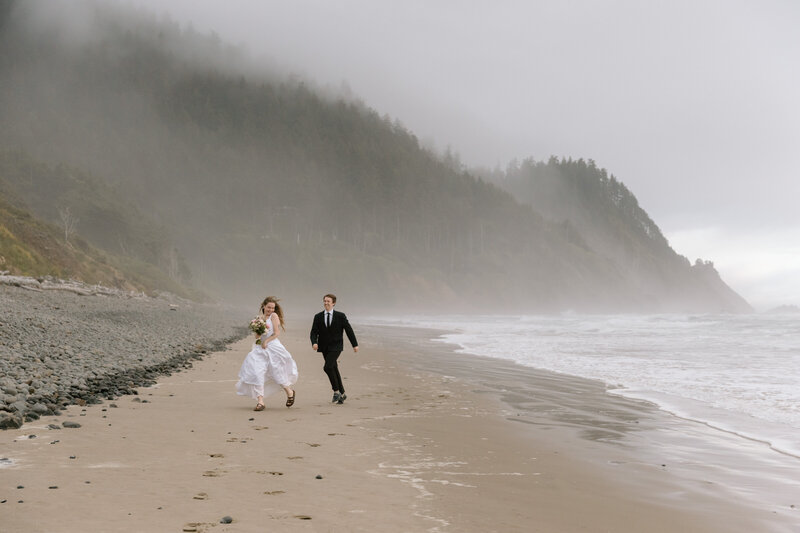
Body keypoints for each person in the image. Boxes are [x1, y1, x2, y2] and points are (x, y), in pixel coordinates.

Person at [236, 296, 297, 410]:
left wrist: (267, 341)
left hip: (273, 346)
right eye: (269, 307)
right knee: (257, 372)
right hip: (260, 348)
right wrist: (259, 333)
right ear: (264, 306)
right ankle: (260, 402)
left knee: (276, 372)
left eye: (273, 308)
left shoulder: (274, 316)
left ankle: (289, 392)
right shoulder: (259, 318)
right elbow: (257, 336)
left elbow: (276, 333)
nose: (271, 310)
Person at [310, 293, 358, 404]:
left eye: (328, 301)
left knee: (327, 367)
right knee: (334, 368)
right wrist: (314, 342)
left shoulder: (340, 316)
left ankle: (336, 391)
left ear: (333, 303)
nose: (326, 303)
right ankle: (343, 394)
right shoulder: (318, 316)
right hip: (324, 346)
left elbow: (349, 330)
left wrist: (354, 344)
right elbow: (313, 332)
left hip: (336, 346)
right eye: (325, 301)